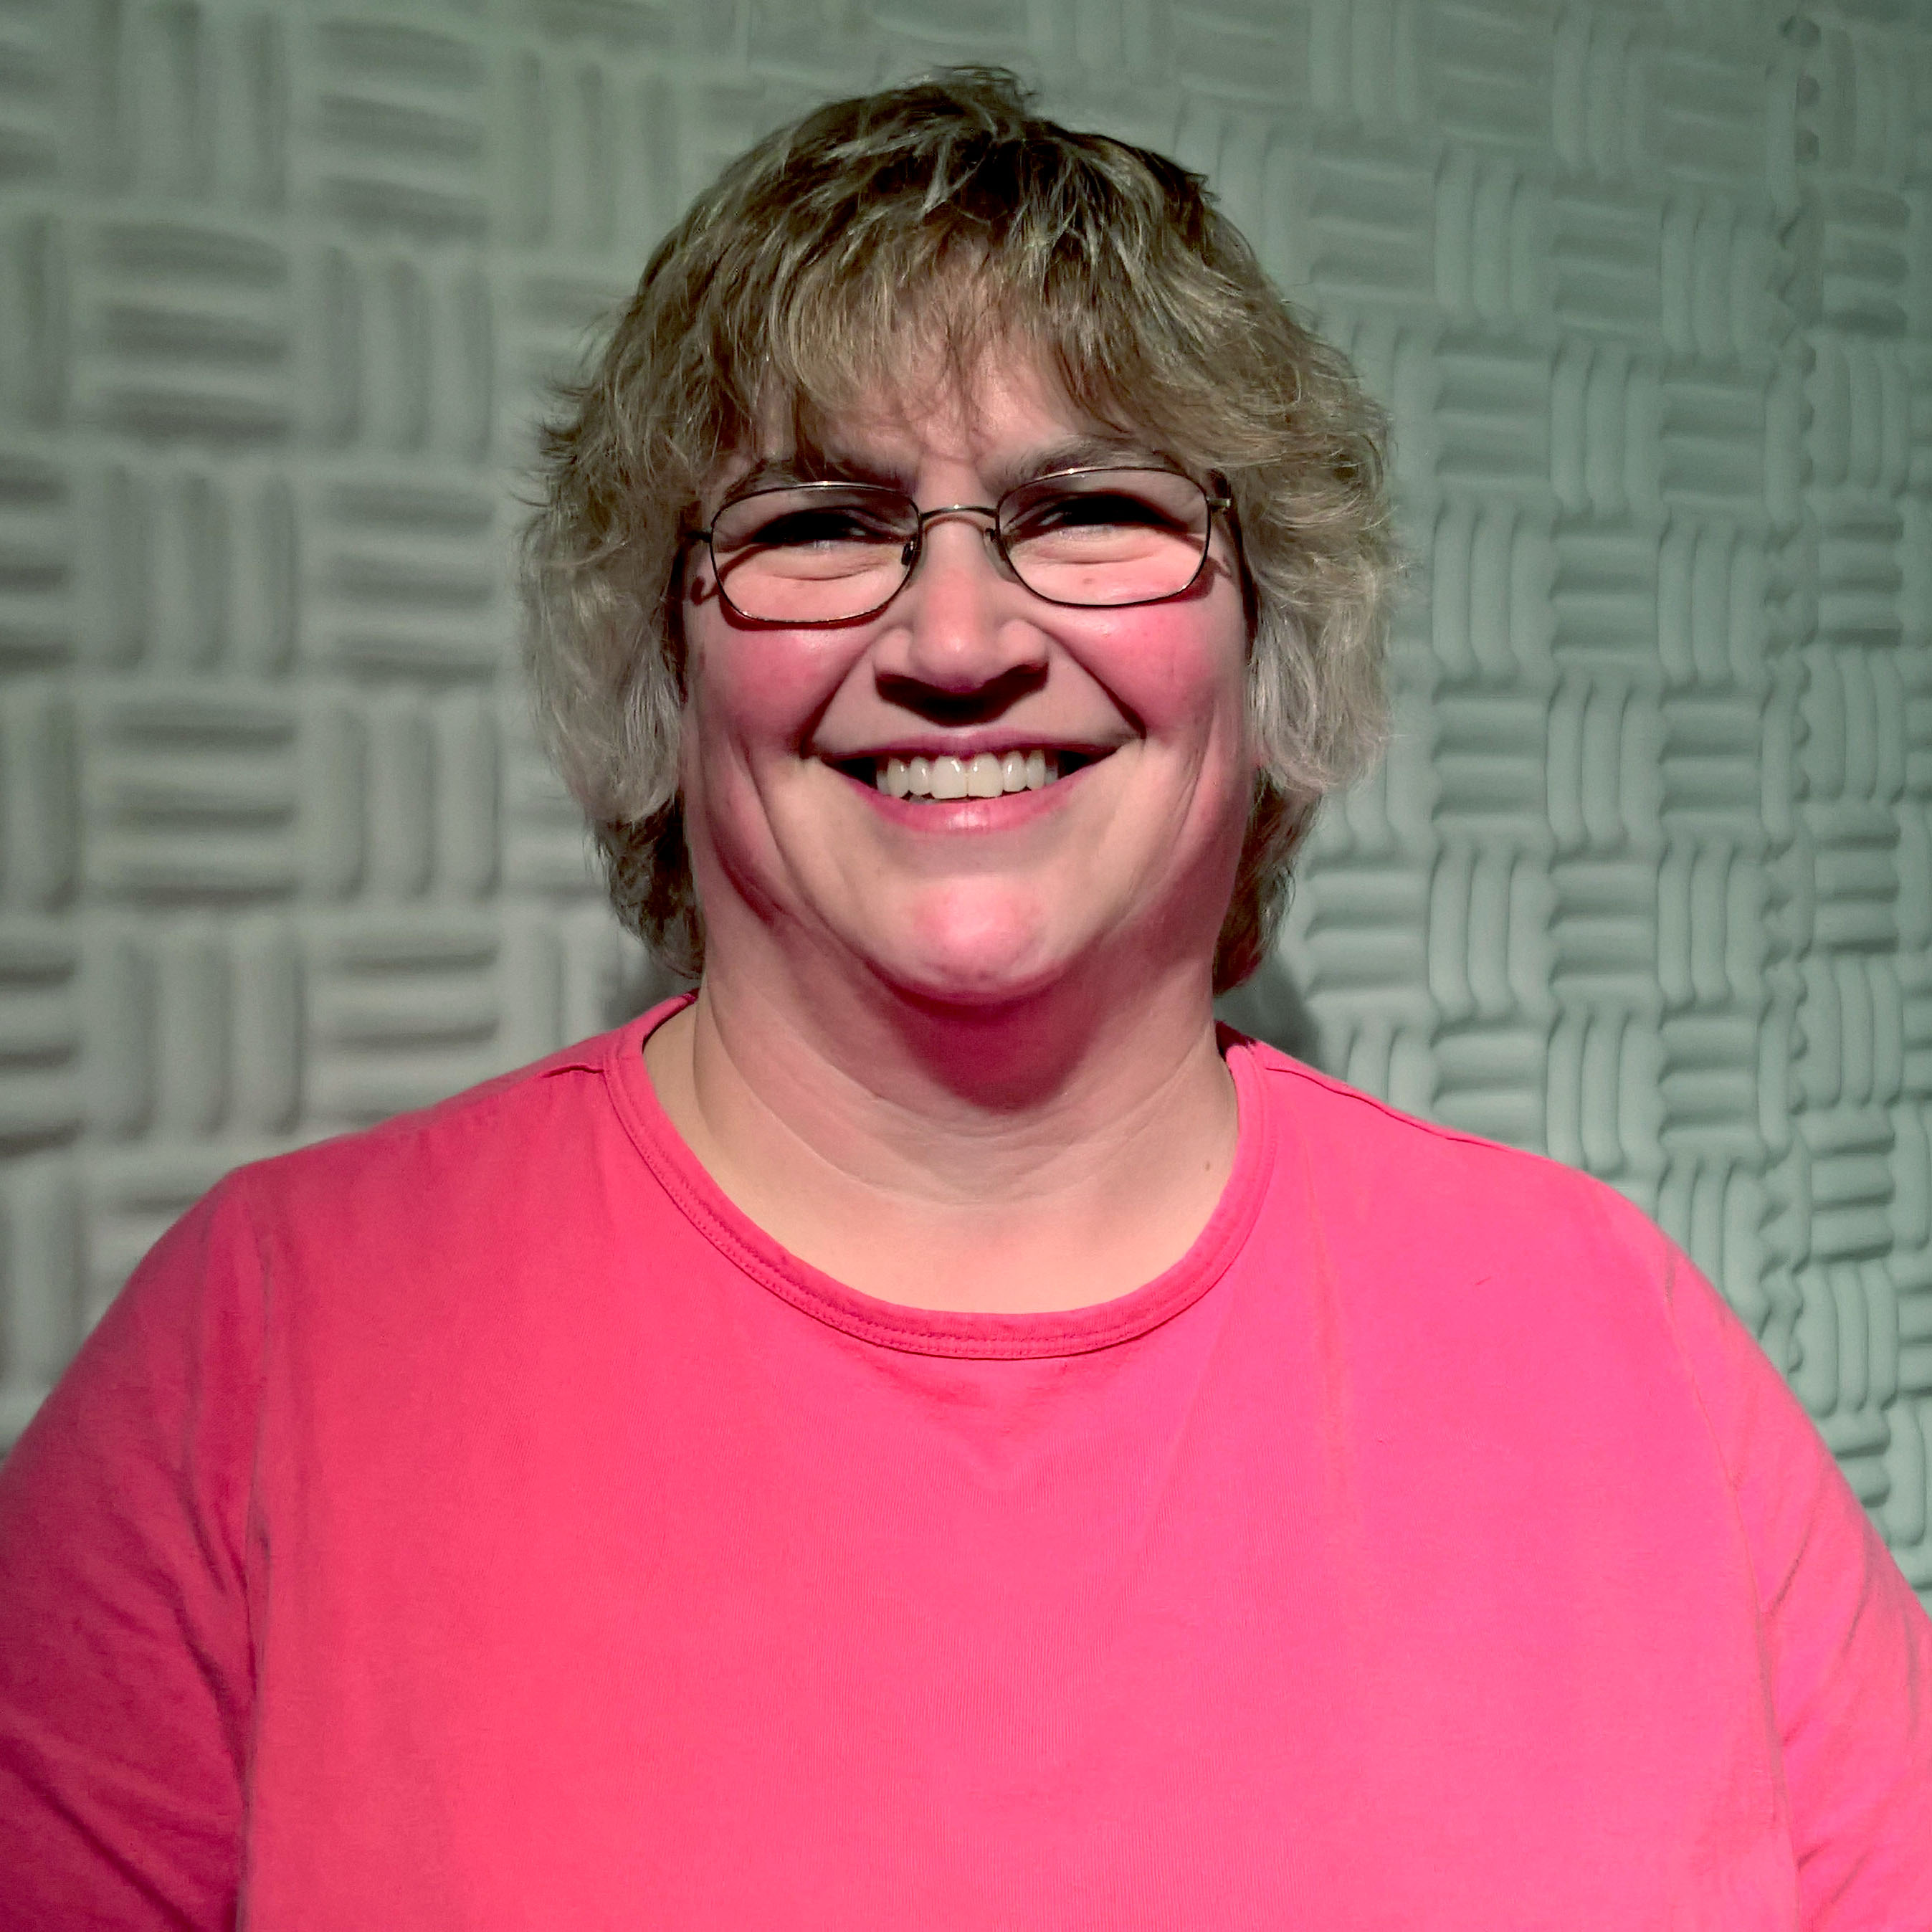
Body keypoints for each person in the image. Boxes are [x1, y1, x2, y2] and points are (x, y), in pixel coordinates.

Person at [2, 68, 1928, 1929]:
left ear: (1269, 640)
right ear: (665, 671)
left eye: (1089, 504)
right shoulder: (263, 1363)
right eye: (817, 526)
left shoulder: (1622, 1350)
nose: (956, 640)